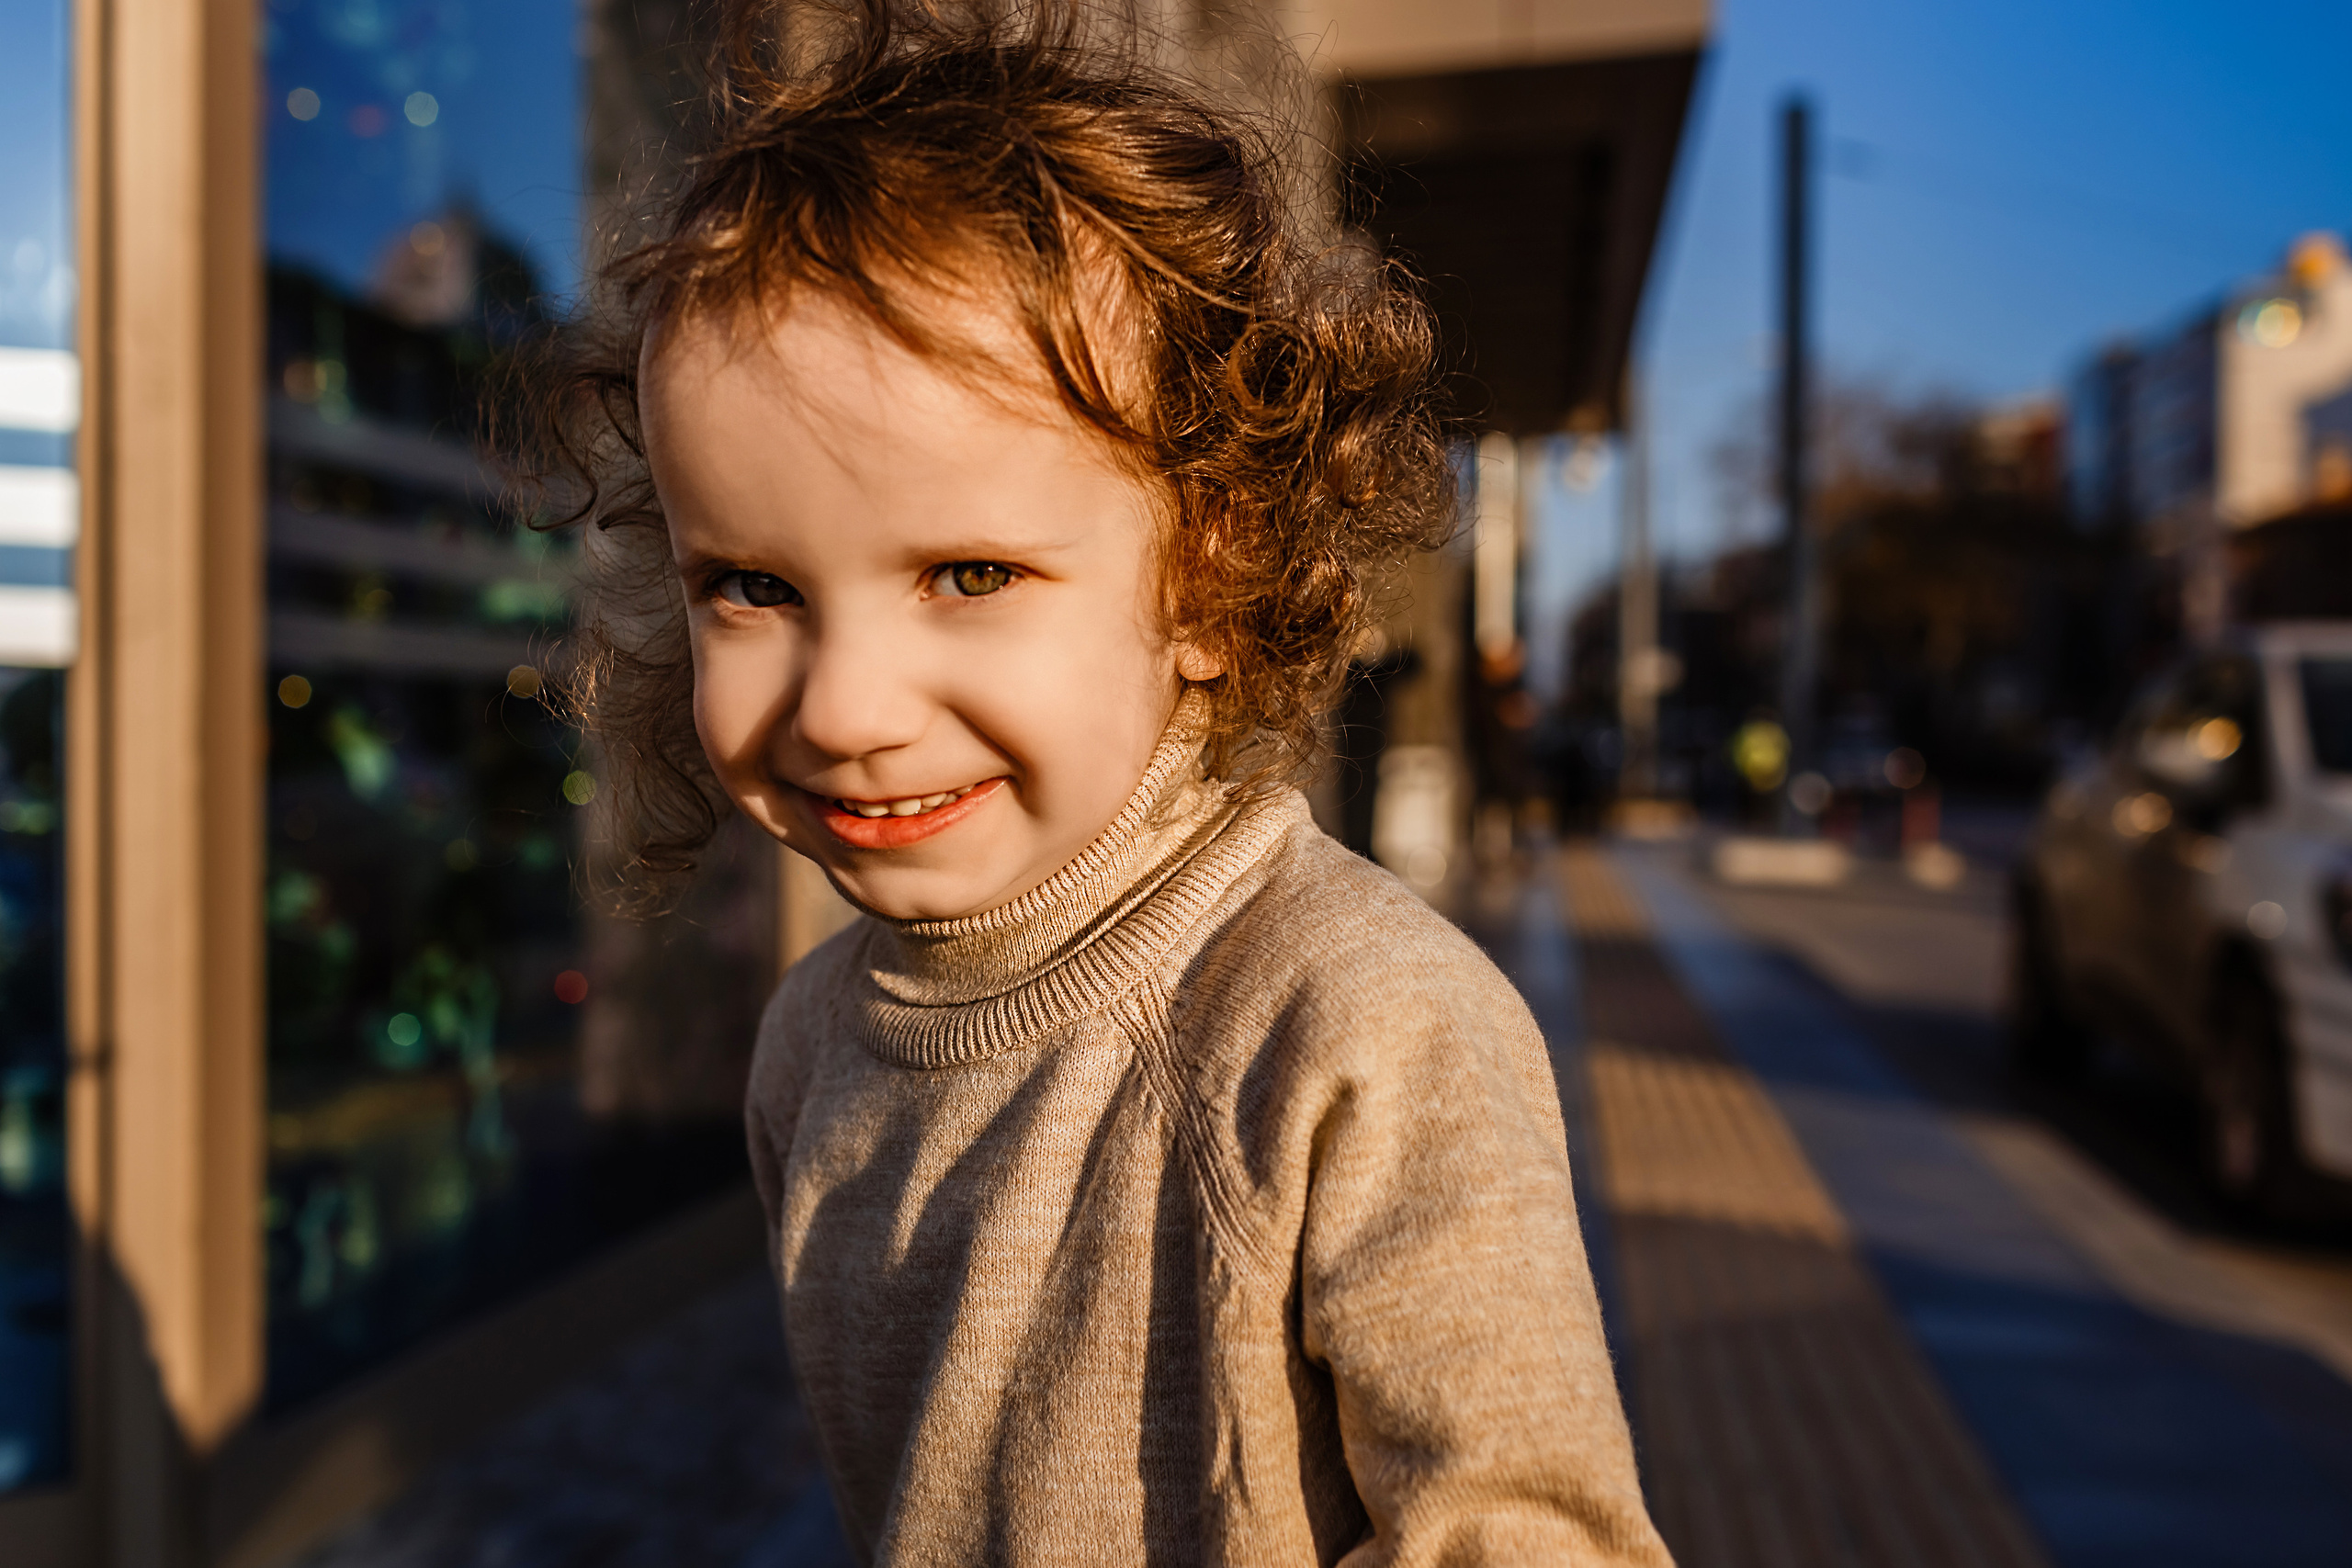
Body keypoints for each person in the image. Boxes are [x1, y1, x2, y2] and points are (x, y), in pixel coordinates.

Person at [537, 2, 1670, 1561]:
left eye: (971, 570)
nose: (850, 708)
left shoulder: (1359, 1026)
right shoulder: (809, 1051)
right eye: (753, 587)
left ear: (1210, 576)